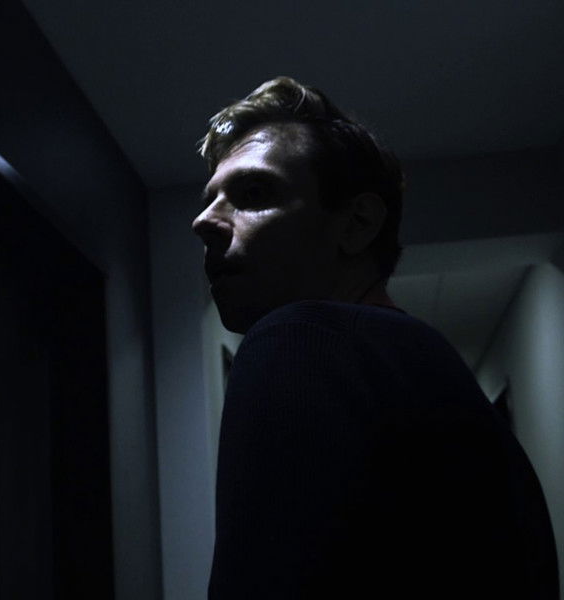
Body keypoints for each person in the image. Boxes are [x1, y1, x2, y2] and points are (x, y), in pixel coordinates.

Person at [191, 76, 559, 599]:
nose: (203, 221)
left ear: (357, 224)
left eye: (254, 194)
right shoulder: (421, 363)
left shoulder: (297, 338)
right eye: (210, 199)